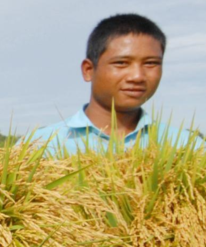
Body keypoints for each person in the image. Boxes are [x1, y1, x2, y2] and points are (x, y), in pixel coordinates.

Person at [26, 13, 194, 153]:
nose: (137, 76)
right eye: (121, 63)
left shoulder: (187, 148)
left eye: (151, 63)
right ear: (88, 70)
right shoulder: (40, 147)